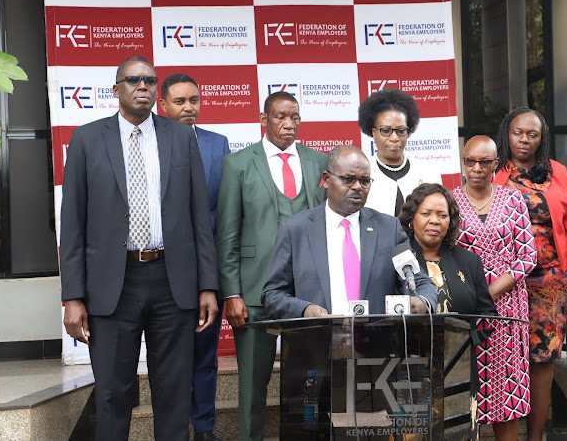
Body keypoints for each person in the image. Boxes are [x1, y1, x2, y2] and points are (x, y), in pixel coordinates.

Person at [60, 56, 219, 441]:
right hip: (112, 285)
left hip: (173, 281)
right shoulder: (86, 139)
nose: (143, 86)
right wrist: (73, 298)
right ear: (117, 90)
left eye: (150, 80)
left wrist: (208, 285)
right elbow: (73, 223)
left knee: (174, 394)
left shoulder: (181, 137)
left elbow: (200, 215)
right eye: (134, 80)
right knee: (113, 394)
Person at [216, 91, 327, 441]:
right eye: (280, 116)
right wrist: (231, 292)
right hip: (252, 294)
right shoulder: (238, 164)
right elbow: (227, 234)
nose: (288, 124)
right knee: (252, 385)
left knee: (311, 384)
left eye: (295, 117)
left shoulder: (318, 161)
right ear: (264, 120)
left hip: (308, 296)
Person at [493, 108, 567, 441]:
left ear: (541, 138)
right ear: (507, 133)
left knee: (541, 363)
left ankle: (535, 438)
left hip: (550, 284)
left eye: (532, 134)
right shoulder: (492, 171)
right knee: (503, 362)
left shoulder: (557, 172)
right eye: (518, 132)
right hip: (504, 283)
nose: (524, 140)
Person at [262, 145, 437, 319]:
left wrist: (423, 301)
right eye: (348, 179)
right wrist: (304, 310)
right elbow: (273, 294)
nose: (357, 187)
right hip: (317, 340)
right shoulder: (296, 230)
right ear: (326, 179)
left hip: (376, 341)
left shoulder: (388, 228)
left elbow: (419, 281)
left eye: (364, 181)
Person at [398, 182, 498, 440]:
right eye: (426, 213)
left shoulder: (468, 261)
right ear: (412, 218)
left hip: (460, 372)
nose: (435, 221)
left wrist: (463, 345)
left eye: (442, 215)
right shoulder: (396, 260)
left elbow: (487, 314)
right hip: (407, 371)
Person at [160, 73, 230, 441]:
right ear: (163, 105)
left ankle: (204, 430)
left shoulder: (219, 145)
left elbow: (229, 213)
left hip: (207, 273)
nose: (189, 107)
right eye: (179, 101)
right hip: (159, 274)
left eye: (194, 100)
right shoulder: (147, 144)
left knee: (204, 356)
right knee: (170, 361)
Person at [453, 135, 537, 441]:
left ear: (495, 165)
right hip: (464, 309)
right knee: (464, 391)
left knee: (507, 393)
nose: (476, 168)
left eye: (484, 162)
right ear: (462, 162)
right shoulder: (449, 203)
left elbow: (528, 256)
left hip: (508, 309)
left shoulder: (513, 200)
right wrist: (470, 295)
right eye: (470, 161)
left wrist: (488, 293)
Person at [357, 89, 442, 216]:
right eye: (386, 130)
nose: (395, 137)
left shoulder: (428, 170)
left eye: (401, 130)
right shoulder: (361, 173)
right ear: (374, 133)